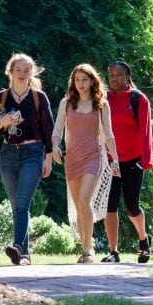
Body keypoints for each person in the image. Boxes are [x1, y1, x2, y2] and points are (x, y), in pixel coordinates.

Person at [0, 53, 55, 266]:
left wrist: (49, 158)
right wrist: (2, 122)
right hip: (7, 155)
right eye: (19, 70)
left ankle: (17, 247)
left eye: (27, 71)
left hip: (33, 153)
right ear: (10, 72)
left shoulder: (38, 97)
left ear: (31, 73)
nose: (23, 74)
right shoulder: (1, 98)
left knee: (23, 203)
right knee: (16, 205)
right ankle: (24, 255)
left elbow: (49, 130)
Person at [51, 64, 122, 264]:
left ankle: (88, 250)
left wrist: (115, 159)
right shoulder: (66, 103)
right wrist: (55, 146)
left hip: (94, 157)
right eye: (77, 80)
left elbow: (108, 134)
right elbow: (57, 130)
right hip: (72, 159)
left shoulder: (101, 104)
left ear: (92, 81)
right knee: (79, 206)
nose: (80, 84)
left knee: (83, 201)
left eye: (84, 79)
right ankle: (85, 247)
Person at [101, 61, 153, 263]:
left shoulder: (138, 99)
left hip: (133, 160)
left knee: (132, 206)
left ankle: (143, 239)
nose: (114, 78)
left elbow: (146, 132)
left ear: (127, 76)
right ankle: (113, 252)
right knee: (109, 206)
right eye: (111, 75)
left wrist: (145, 161)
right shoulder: (104, 98)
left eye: (118, 75)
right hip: (109, 160)